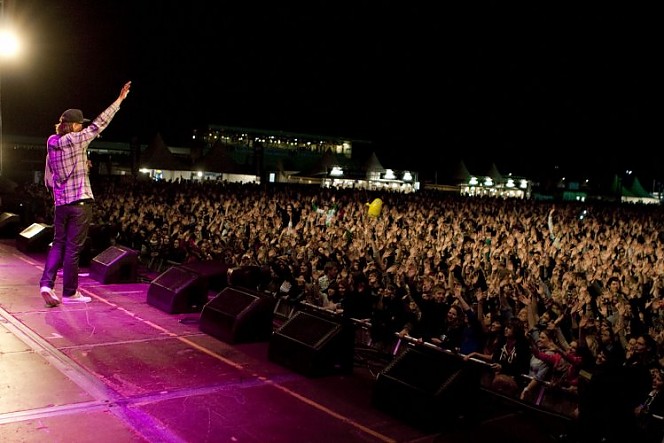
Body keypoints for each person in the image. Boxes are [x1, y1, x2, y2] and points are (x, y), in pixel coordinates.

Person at [39, 81, 132, 307]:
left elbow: (53, 173)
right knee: (72, 248)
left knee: (58, 244)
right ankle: (70, 293)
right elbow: (100, 124)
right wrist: (119, 101)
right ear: (73, 126)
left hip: (61, 204)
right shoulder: (76, 139)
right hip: (80, 203)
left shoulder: (52, 142)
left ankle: (46, 284)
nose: (82, 128)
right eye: (80, 125)